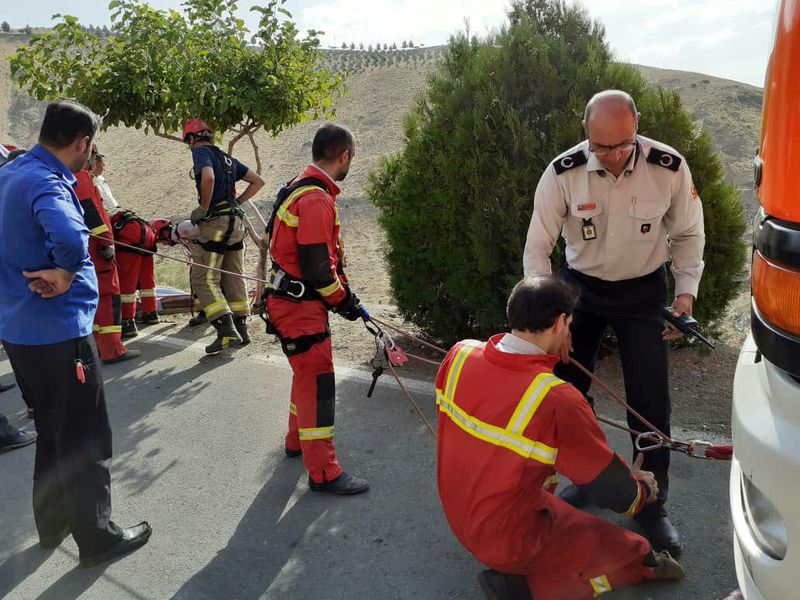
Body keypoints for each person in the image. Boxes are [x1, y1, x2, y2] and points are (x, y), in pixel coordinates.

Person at [522, 90, 705, 555]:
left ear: (636, 125)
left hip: (643, 290)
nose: (614, 155)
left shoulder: (668, 166)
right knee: (566, 391)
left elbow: (687, 233)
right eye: (601, 147)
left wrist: (686, 293)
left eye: (623, 144)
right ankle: (589, 479)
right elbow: (537, 249)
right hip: (579, 291)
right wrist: (549, 318)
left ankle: (652, 504)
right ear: (586, 135)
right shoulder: (563, 172)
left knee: (649, 399)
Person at [436, 276, 684, 600]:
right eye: (569, 324)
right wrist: (641, 489)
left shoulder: (460, 354)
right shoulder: (555, 400)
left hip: (459, 514)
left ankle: (516, 570)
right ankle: (519, 585)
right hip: (510, 536)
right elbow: (615, 494)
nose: (571, 333)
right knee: (628, 549)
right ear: (558, 323)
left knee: (560, 515)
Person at [0, 99, 151, 566]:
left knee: (50, 427)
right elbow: (68, 238)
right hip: (59, 333)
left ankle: (53, 524)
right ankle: (98, 537)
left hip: (18, 333)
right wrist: (66, 273)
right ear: (83, 143)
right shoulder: (46, 182)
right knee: (84, 435)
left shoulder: (10, 173)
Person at [265, 123, 369, 495]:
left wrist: (342, 299)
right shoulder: (315, 199)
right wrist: (346, 303)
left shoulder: (297, 186)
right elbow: (317, 269)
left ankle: (296, 442)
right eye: (351, 158)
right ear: (344, 156)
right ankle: (324, 473)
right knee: (318, 385)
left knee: (305, 376)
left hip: (289, 301)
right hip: (300, 308)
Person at [183, 118, 265, 353]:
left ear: (191, 139)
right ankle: (241, 328)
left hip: (216, 223)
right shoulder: (227, 158)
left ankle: (225, 329)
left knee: (204, 278)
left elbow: (208, 178)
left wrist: (205, 208)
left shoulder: (201, 153)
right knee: (233, 274)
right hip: (236, 223)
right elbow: (257, 181)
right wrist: (236, 203)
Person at [75, 146, 140, 364]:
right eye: (95, 157)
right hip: (97, 249)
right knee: (109, 296)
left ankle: (98, 348)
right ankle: (112, 349)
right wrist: (104, 242)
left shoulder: (73, 177)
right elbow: (90, 211)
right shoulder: (82, 177)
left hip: (89, 248)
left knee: (95, 298)